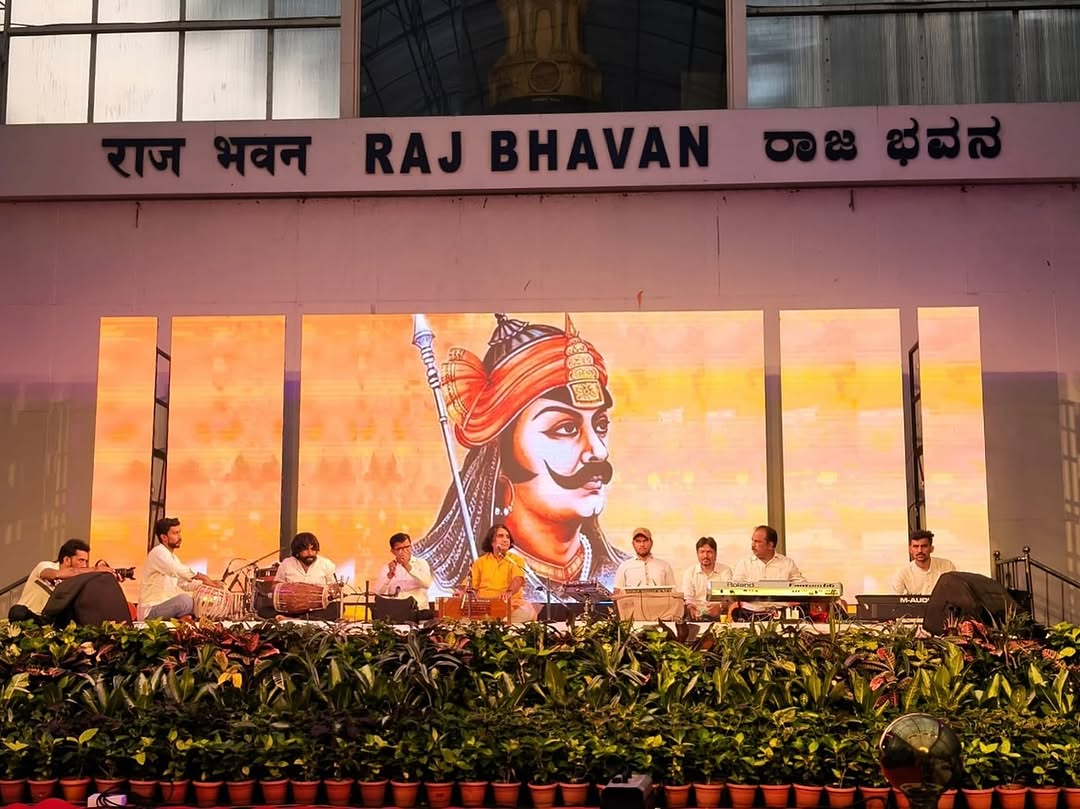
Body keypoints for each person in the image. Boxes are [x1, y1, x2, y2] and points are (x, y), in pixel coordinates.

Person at [416, 313, 628, 599]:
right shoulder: (436, 580)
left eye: (600, 425)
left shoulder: (622, 573)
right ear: (501, 455)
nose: (599, 452)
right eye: (565, 428)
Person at [9, 539, 120, 623]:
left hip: (48, 622)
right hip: (29, 616)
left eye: (86, 561)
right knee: (17, 611)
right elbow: (54, 575)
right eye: (81, 560)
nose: (84, 565)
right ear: (67, 559)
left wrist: (109, 576)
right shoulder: (46, 566)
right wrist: (96, 569)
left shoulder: (76, 582)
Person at [138, 517, 223, 621]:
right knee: (185, 601)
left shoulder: (172, 557)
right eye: (175, 533)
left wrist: (207, 586)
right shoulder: (158, 553)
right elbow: (177, 570)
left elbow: (185, 584)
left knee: (199, 601)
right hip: (151, 610)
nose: (179, 537)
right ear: (164, 537)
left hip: (165, 608)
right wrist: (203, 577)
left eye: (179, 533)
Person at [730, 525, 806, 619]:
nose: (753, 545)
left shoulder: (787, 563)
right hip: (749, 614)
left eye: (757, 541)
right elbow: (733, 589)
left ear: (770, 545)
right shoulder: (744, 564)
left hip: (780, 615)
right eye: (752, 540)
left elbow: (803, 587)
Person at [465, 523, 537, 622]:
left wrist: (509, 592)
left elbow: (518, 579)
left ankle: (497, 623)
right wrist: (461, 591)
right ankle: (498, 622)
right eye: (500, 536)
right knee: (461, 615)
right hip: (486, 607)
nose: (505, 540)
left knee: (528, 612)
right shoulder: (480, 562)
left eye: (507, 537)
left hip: (510, 606)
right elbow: (471, 586)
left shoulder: (515, 560)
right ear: (491, 541)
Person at [274, 532, 342, 620]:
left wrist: (333, 592)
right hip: (292, 609)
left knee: (337, 608)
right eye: (306, 550)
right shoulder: (286, 563)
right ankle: (296, 617)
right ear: (297, 551)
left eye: (313, 549)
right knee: (264, 611)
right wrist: (293, 593)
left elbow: (333, 588)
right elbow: (275, 586)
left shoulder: (326, 564)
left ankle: (296, 620)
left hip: (318, 609)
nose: (310, 553)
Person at [372, 532, 434, 617]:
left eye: (407, 547)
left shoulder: (421, 563)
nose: (404, 551)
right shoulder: (387, 568)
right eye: (399, 549)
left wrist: (408, 567)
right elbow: (378, 592)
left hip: (419, 611)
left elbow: (427, 584)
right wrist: (389, 576)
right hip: (395, 612)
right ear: (393, 551)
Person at [680, 536, 733, 620]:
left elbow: (729, 597)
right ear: (697, 554)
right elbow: (688, 597)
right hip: (696, 616)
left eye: (709, 552)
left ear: (715, 554)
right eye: (702, 552)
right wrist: (690, 607)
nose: (705, 556)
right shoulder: (690, 572)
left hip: (719, 616)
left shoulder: (725, 571)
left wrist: (720, 606)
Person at [891, 529, 956, 595]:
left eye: (924, 546)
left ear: (931, 548)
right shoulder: (903, 572)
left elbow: (955, 594)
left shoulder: (947, 566)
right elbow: (894, 600)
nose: (919, 550)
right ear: (910, 549)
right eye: (916, 546)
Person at [612, 528, 676, 593]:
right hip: (633, 603)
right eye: (638, 541)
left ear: (651, 543)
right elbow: (617, 593)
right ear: (633, 544)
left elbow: (673, 592)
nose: (642, 544)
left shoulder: (664, 566)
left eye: (645, 541)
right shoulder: (624, 567)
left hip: (660, 603)